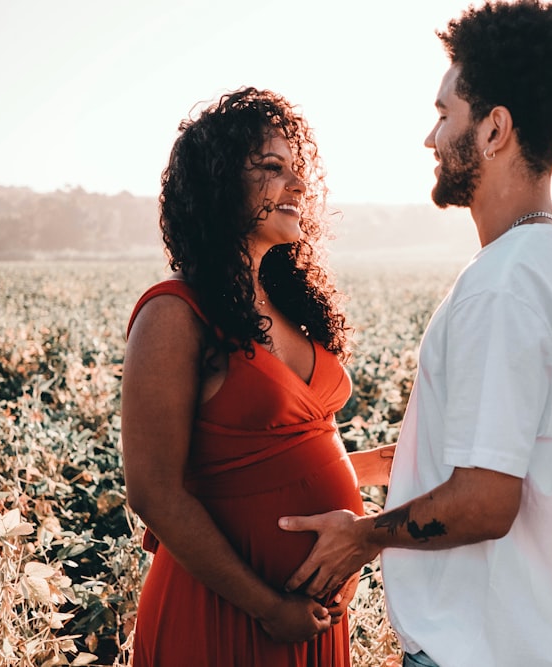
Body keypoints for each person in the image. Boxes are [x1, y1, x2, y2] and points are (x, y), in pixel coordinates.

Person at [278, 2, 552, 665]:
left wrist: (362, 537)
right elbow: (487, 441)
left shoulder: (504, 285)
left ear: (495, 130)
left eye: (443, 114)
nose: (430, 138)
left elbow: (485, 499)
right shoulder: (550, 259)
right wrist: (336, 469)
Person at [121, 87, 393, 666]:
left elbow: (269, 453)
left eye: (298, 172)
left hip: (310, 616)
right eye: (273, 169)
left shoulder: (290, 304)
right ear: (219, 185)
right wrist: (267, 607)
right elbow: (153, 491)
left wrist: (369, 469)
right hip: (224, 613)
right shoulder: (174, 314)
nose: (298, 186)